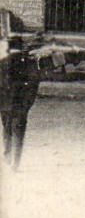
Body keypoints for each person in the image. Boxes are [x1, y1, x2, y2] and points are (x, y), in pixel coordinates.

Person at [1, 31, 43, 169]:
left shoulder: (2, 63)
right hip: (21, 106)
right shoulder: (30, 64)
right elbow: (33, 87)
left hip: (5, 105)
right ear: (21, 46)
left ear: (8, 47)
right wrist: (27, 105)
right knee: (18, 133)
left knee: (6, 130)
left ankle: (7, 158)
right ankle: (15, 163)